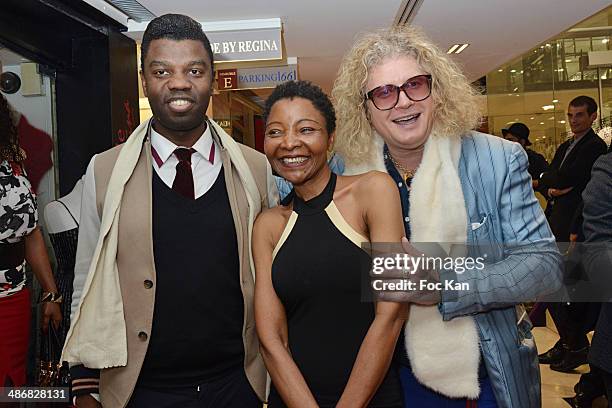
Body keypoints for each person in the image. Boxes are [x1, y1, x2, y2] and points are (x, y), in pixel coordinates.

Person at [331, 25, 562, 408]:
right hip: (376, 378)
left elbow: (544, 265)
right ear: (366, 109)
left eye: (415, 85)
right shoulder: (345, 169)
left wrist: (444, 287)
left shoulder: (497, 158)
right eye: (384, 92)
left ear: (436, 91)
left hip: (478, 377)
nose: (403, 102)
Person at [62, 14, 278, 408]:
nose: (179, 83)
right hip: (138, 388)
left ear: (212, 78)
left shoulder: (257, 169)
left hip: (236, 383)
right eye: (162, 71)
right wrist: (83, 383)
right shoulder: (105, 171)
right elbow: (86, 280)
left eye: (194, 70)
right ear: (145, 80)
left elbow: (272, 277)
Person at [254, 80, 407, 407]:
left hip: (373, 396)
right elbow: (271, 339)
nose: (290, 143)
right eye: (276, 132)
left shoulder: (374, 191)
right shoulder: (267, 225)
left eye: (306, 129)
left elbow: (392, 312)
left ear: (330, 138)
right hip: (293, 399)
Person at [538, 96, 607, 373]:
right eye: (570, 115)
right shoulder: (567, 145)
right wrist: (551, 187)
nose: (574, 120)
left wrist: (555, 182)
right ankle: (569, 342)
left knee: (567, 289)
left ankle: (575, 343)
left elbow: (569, 178)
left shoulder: (595, 147)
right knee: (552, 285)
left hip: (576, 228)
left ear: (593, 117)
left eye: (580, 115)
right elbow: (553, 175)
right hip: (557, 222)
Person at [0, 92, 62, 389]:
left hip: (13, 299)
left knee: (11, 386)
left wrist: (51, 293)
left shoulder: (13, 168)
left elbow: (31, 232)